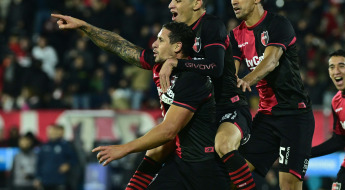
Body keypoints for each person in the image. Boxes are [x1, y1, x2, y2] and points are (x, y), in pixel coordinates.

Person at [51, 15, 230, 189]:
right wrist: (85, 27)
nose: (153, 44)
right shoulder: (158, 63)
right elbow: (118, 45)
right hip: (181, 163)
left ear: (177, 47)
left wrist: (125, 149)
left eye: (160, 40)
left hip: (205, 169)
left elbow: (168, 131)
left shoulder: (193, 79)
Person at [155, 0, 255, 189]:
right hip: (201, 116)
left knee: (224, 145)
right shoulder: (178, 35)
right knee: (156, 148)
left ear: (197, 4)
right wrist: (88, 29)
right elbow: (137, 54)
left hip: (229, 108)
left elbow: (215, 68)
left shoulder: (211, 26)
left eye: (178, 0)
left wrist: (175, 63)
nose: (171, 4)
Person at [229, 0, 315, 189]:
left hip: (295, 116)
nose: (233, 1)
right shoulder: (235, 35)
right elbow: (230, 74)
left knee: (288, 186)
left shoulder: (278, 24)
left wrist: (246, 80)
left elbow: (271, 61)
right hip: (267, 117)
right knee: (233, 178)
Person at [311, 49, 345, 190]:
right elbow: (339, 140)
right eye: (332, 67)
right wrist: (306, 154)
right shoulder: (336, 101)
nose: (336, 71)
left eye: (341, 66)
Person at [34, 124, 74, 190]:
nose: (52, 133)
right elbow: (39, 163)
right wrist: (38, 178)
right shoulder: (43, 146)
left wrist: (68, 165)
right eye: (50, 131)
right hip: (45, 181)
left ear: (58, 132)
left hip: (60, 180)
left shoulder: (65, 146)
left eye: (54, 131)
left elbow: (74, 159)